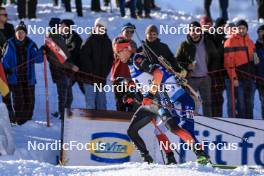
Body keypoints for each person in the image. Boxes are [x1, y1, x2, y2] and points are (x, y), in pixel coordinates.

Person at [113, 36, 210, 164]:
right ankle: (158, 159)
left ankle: (201, 154)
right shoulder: (131, 65)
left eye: (118, 53)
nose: (118, 56)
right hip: (158, 102)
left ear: (125, 49)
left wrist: (149, 95)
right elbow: (144, 85)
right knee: (152, 131)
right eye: (116, 54)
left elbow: (157, 74)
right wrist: (132, 94)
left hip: (169, 98)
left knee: (178, 128)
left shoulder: (137, 59)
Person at [2, 21, 43, 125]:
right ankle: (20, 121)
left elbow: (38, 59)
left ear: (26, 33)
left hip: (28, 78)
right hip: (15, 78)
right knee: (19, 100)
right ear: (15, 33)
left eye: (22, 32)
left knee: (29, 100)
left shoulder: (31, 44)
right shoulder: (10, 44)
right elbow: (4, 60)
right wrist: (8, 69)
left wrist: (42, 51)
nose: (20, 34)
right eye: (18, 32)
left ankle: (28, 120)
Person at [176, 21, 219, 117]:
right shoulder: (184, 45)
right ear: (189, 32)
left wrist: (211, 71)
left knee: (207, 102)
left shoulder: (208, 43)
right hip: (191, 79)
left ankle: (209, 122)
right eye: (192, 30)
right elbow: (177, 61)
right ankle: (190, 121)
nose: (194, 32)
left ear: (200, 31)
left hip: (205, 78)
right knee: (190, 103)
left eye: (196, 30)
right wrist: (187, 66)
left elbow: (216, 57)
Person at [224, 20, 256, 119]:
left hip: (250, 78)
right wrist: (234, 78)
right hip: (239, 79)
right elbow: (228, 63)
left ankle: (251, 124)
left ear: (247, 29)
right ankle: (241, 127)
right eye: (239, 28)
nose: (241, 30)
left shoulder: (250, 42)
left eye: (244, 28)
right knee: (240, 105)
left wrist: (256, 61)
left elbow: (253, 59)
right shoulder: (230, 41)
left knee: (250, 104)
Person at [79, 18, 113, 110]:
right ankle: (90, 124)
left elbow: (110, 59)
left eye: (102, 27)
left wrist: (105, 73)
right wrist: (90, 72)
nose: (99, 28)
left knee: (102, 104)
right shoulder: (89, 40)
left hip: (101, 79)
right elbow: (84, 58)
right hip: (89, 78)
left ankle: (102, 124)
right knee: (90, 103)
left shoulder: (108, 42)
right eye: (98, 26)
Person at [111, 23, 137, 112]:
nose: (129, 33)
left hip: (130, 78)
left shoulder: (133, 43)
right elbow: (121, 49)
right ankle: (119, 125)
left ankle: (130, 124)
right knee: (120, 103)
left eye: (132, 32)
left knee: (131, 103)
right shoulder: (117, 40)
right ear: (122, 32)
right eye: (127, 31)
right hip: (118, 77)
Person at [210, 17, 227, 117]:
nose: (222, 28)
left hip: (221, 72)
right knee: (212, 97)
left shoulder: (225, 39)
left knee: (219, 97)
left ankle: (219, 117)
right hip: (211, 72)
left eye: (224, 26)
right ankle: (212, 118)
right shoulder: (210, 38)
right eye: (221, 26)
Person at [0, 7, 15, 122]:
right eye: (2, 14)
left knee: (6, 90)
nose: (4, 16)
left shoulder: (10, 27)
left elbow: (13, 44)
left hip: (6, 64)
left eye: (5, 14)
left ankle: (9, 114)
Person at [255, 24, 264, 119]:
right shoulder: (255, 47)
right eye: (260, 32)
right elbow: (255, 62)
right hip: (260, 79)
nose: (262, 34)